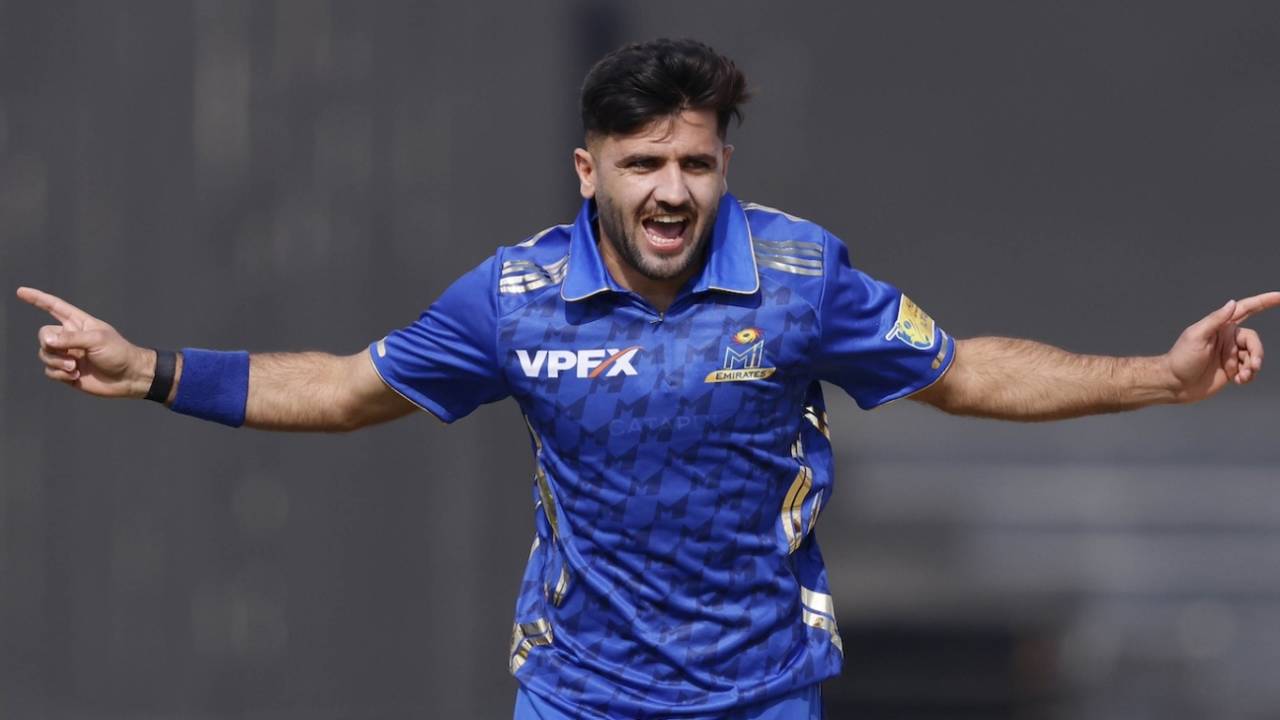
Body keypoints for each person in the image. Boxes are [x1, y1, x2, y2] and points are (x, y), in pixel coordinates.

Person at [16, 38, 1278, 720]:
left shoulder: (799, 276)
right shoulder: (512, 298)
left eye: (694, 163)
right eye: (641, 164)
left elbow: (958, 373)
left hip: (760, 690)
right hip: (580, 696)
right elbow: (348, 388)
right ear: (588, 173)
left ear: (721, 167)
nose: (670, 190)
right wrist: (151, 370)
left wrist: (1158, 380)